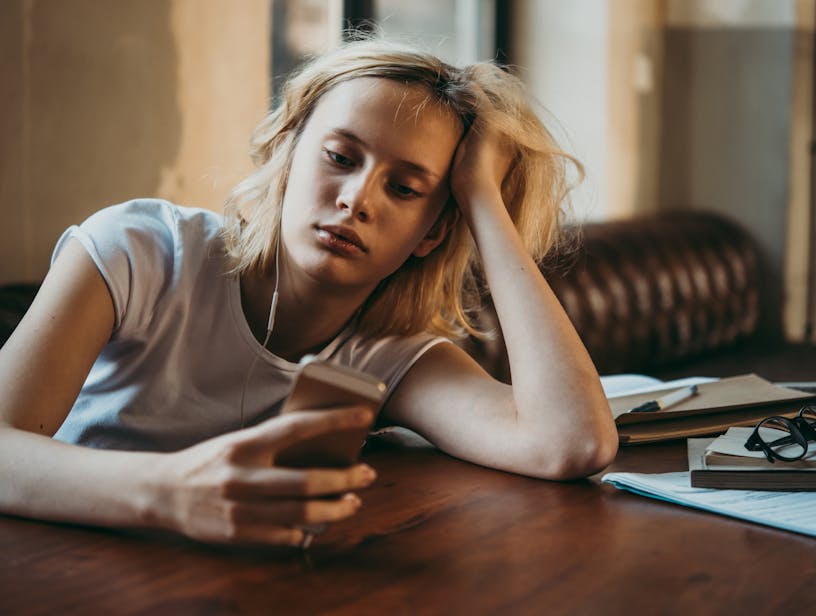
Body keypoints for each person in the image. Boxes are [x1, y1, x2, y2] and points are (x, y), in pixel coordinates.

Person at [0, 39, 617, 547]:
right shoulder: (138, 251)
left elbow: (572, 442)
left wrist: (482, 199)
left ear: (433, 232)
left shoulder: (389, 355)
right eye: (340, 156)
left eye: (405, 189)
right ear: (288, 153)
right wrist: (171, 492)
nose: (357, 199)